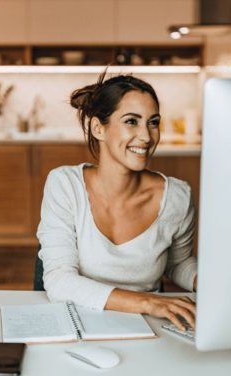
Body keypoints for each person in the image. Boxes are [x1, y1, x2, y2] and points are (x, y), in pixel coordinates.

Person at [37, 72, 197, 331]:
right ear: (98, 128)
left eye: (153, 122)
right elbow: (59, 281)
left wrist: (207, 281)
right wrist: (148, 302)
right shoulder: (65, 185)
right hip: (79, 322)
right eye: (131, 121)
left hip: (150, 328)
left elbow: (177, 263)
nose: (146, 136)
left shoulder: (177, 197)